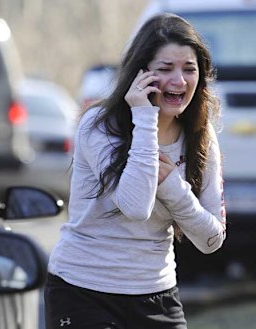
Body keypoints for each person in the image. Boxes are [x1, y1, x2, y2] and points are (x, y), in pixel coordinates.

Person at [45, 13, 227, 329]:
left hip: (157, 294)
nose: (179, 81)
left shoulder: (200, 136)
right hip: (83, 290)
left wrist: (172, 185)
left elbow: (211, 240)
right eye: (165, 69)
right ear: (139, 75)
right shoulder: (98, 125)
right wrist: (144, 117)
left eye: (189, 69)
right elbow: (136, 206)